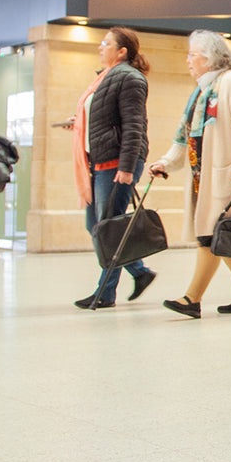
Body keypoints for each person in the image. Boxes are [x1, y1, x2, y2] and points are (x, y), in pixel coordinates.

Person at [149, 31, 231, 318]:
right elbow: (185, 137)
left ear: (210, 58)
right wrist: (166, 163)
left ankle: (192, 299)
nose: (188, 60)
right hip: (204, 178)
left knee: (211, 238)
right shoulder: (202, 91)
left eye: (192, 55)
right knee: (224, 238)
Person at [67, 27, 155, 309]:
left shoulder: (130, 78)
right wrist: (80, 123)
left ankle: (105, 292)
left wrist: (127, 167)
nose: (100, 47)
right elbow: (107, 117)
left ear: (122, 51)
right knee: (96, 225)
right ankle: (139, 272)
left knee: (108, 227)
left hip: (117, 162)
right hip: (99, 161)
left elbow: (134, 125)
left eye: (106, 43)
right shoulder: (104, 78)